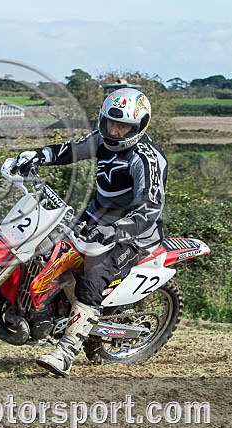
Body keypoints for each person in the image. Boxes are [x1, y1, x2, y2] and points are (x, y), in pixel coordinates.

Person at [15, 86, 168, 377]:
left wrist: (115, 230)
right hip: (94, 221)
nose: (115, 130)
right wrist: (36, 155)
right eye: (110, 122)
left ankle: (65, 352)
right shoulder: (101, 139)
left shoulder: (146, 160)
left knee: (92, 274)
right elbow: (70, 149)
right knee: (42, 244)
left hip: (133, 236)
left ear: (139, 126)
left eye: (123, 126)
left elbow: (149, 210)